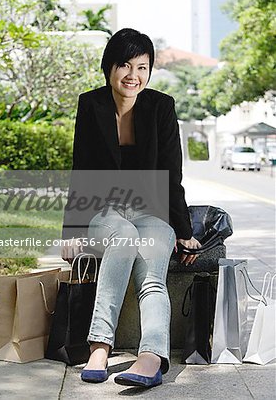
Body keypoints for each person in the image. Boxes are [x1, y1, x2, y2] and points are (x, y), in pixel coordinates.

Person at [61, 28, 201, 388]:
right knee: (122, 235)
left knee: (152, 273)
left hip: (151, 213)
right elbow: (82, 169)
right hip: (104, 214)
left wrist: (184, 233)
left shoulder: (161, 106)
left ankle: (151, 357)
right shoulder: (91, 105)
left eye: (142, 67)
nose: (133, 76)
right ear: (109, 67)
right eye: (124, 65)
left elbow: (172, 174)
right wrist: (72, 231)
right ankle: (100, 345)